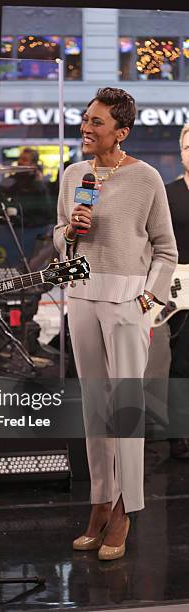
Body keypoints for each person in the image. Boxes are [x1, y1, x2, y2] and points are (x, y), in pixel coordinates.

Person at [53, 87, 177, 561]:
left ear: (120, 133)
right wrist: (71, 230)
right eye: (86, 118)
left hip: (127, 300)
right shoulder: (73, 175)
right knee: (94, 410)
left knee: (125, 408)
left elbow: (166, 249)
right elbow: (62, 234)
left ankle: (126, 507)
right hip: (81, 296)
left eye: (97, 122)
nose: (87, 127)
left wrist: (148, 299)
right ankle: (100, 501)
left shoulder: (147, 180)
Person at [165, 123, 189, 458]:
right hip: (180, 290)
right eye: (188, 147)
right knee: (182, 364)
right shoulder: (168, 193)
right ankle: (179, 437)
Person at [0, 147, 54, 265]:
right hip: (9, 232)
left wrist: (38, 181)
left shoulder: (38, 185)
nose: (20, 162)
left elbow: (46, 213)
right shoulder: (9, 182)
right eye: (20, 159)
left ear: (33, 164)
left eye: (25, 160)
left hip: (32, 232)